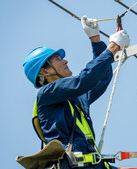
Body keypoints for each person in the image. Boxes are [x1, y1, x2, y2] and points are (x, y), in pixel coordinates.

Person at [23, 16, 130, 169]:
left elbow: (101, 78)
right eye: (58, 59)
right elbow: (83, 81)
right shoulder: (47, 95)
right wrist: (113, 47)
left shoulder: (75, 98)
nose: (65, 61)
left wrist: (96, 40)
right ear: (45, 71)